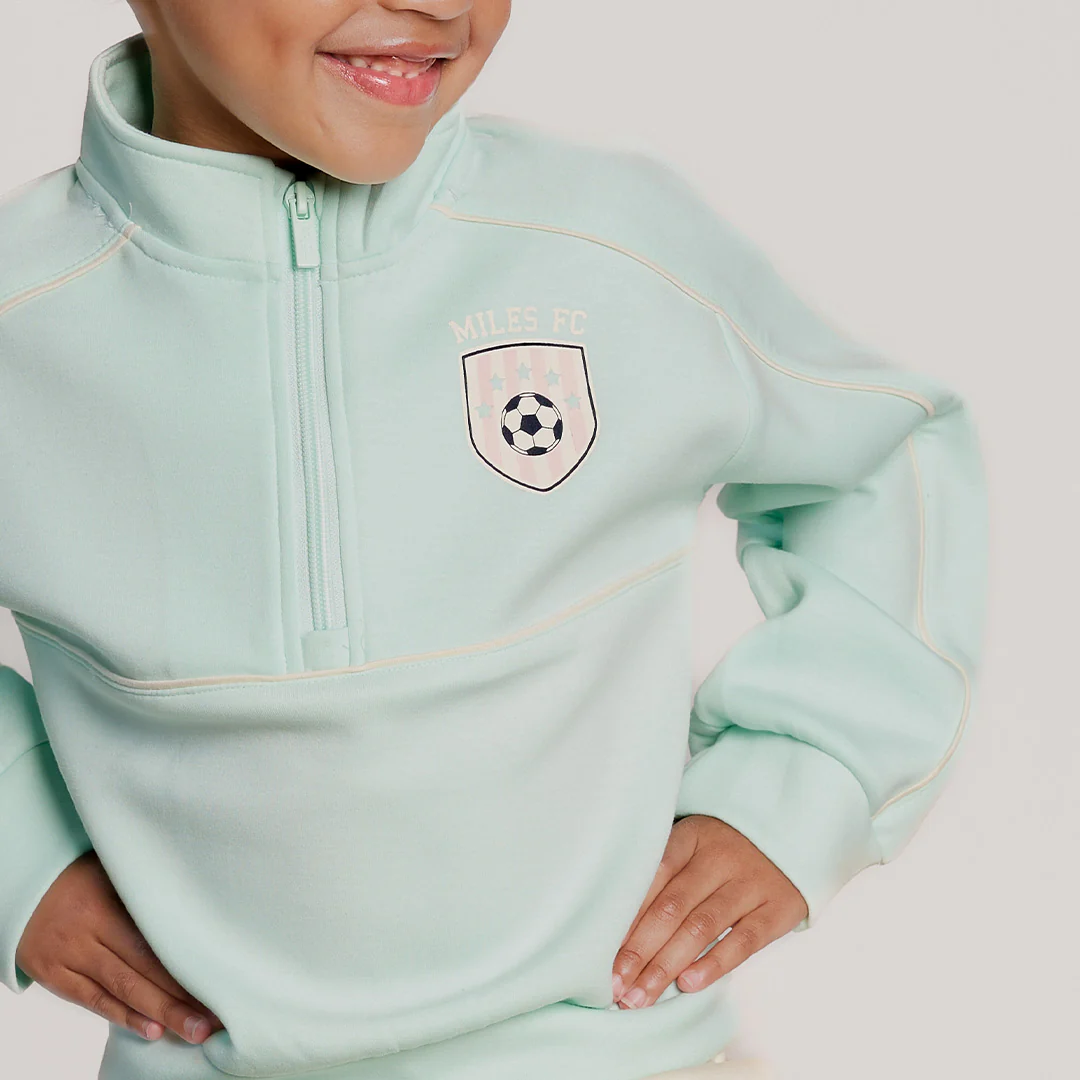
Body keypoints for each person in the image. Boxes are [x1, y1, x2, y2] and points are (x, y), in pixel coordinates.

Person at [0, 2, 989, 1079]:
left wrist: (810, 779)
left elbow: (882, 450)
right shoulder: (27, 312)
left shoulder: (609, 240)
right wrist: (18, 843)